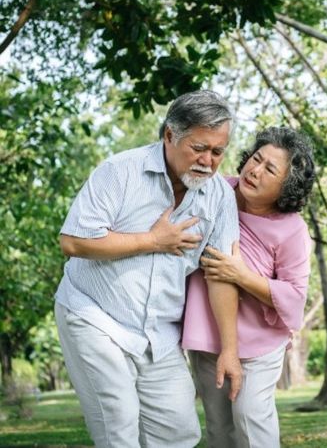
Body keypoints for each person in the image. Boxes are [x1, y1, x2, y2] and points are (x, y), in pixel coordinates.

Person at [54, 90, 240, 448]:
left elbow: (221, 274)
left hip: (159, 333)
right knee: (118, 422)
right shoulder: (119, 171)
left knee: (179, 430)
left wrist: (229, 349)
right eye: (199, 148)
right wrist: (153, 240)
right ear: (170, 135)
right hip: (95, 316)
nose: (208, 161)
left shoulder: (219, 197)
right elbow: (73, 242)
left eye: (218, 152)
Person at [182, 126, 315, 448]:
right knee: (219, 429)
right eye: (256, 159)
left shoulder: (292, 230)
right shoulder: (216, 191)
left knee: (251, 420)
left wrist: (240, 275)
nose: (254, 171)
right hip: (209, 336)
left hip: (260, 344)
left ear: (286, 186)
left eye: (270, 169)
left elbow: (295, 297)